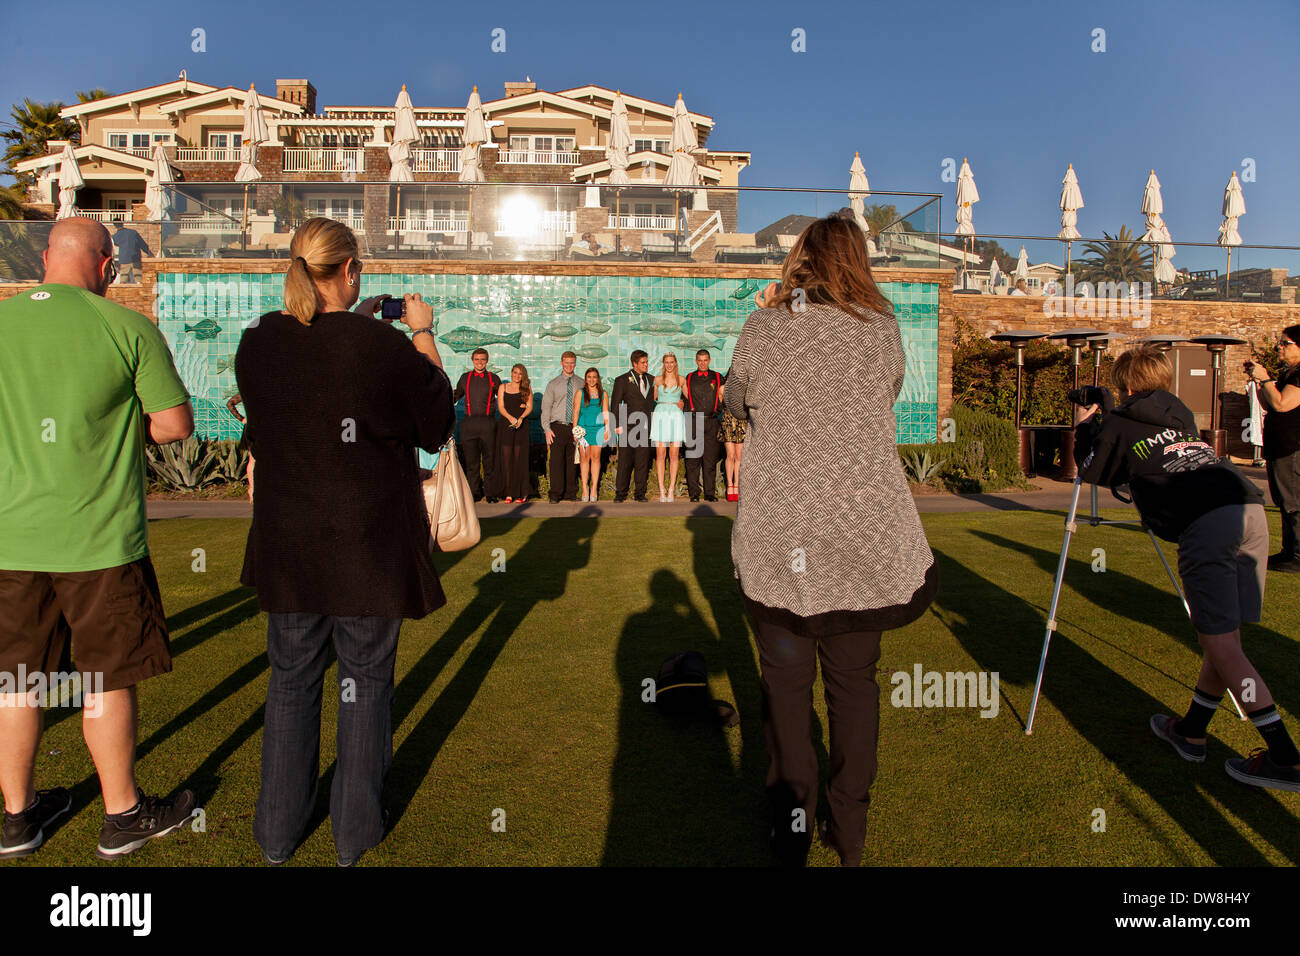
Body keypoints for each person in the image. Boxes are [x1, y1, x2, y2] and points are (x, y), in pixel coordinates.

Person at [235, 217, 456, 866]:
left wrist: (356, 326)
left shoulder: (259, 344)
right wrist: (421, 333)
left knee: (292, 685)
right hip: (367, 549)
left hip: (290, 549)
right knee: (363, 688)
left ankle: (279, 831)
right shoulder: (380, 346)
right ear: (352, 270)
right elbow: (436, 422)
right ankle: (354, 830)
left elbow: (299, 405)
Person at [725, 213, 938, 867]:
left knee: (785, 689)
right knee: (855, 686)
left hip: (782, 532)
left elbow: (733, 402)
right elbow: (888, 392)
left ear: (800, 260)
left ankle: (792, 826)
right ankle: (849, 829)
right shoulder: (882, 329)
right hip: (861, 530)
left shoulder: (765, 324)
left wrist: (768, 316)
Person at [0, 217, 198, 860]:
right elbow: (173, 426)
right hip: (100, 541)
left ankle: (16, 818)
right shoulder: (127, 326)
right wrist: (112, 431)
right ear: (108, 264)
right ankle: (122, 816)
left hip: (10, 541)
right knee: (106, 680)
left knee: (17, 681)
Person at [1074, 345, 1299, 793]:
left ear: (1127, 385)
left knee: (1226, 649)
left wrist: (1085, 427)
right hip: (1247, 510)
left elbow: (1092, 471)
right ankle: (1191, 731)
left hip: (1208, 524)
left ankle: (1286, 758)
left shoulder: (1119, 422)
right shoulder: (1179, 412)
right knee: (1223, 642)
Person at [1245, 326, 1300, 572]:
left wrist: (1266, 377)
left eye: (1285, 343)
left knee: (1294, 501)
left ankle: (1297, 556)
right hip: (1280, 447)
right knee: (1283, 500)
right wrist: (1259, 382)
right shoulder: (1290, 373)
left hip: (1293, 448)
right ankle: (1289, 551)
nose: (1279, 347)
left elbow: (1282, 404)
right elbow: (1268, 402)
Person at [453, 348, 501, 502]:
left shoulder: (494, 378)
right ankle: (474, 493)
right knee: (471, 462)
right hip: (469, 423)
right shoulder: (465, 378)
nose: (480, 362)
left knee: (489, 460)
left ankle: (491, 494)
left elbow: (503, 398)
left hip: (488, 423)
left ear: (487, 361)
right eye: (477, 359)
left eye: (483, 359)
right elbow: (455, 395)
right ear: (472, 361)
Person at [610, 350, 655, 502]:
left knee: (642, 461)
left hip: (645, 426)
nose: (646, 365)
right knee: (625, 461)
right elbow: (615, 404)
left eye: (647, 362)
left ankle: (640, 493)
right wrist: (616, 425)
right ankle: (620, 494)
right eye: (643, 362)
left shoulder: (651, 379)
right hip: (627, 426)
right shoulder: (622, 380)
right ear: (635, 364)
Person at [683, 349, 724, 502]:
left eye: (705, 360)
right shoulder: (689, 377)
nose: (702, 363)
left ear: (710, 360)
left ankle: (709, 494)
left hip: (712, 421)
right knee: (693, 459)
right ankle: (694, 494)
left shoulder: (718, 377)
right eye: (700, 360)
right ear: (696, 361)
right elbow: (683, 397)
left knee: (710, 460)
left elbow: (724, 395)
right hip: (694, 421)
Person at [542, 351, 580, 503]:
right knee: (556, 461)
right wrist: (546, 429)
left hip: (575, 426)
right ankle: (555, 494)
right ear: (561, 363)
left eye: (572, 362)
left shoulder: (581, 383)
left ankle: (571, 493)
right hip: (557, 426)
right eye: (566, 362)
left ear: (575, 363)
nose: (569, 365)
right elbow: (546, 407)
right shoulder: (553, 384)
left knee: (572, 461)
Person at [495, 363, 534, 503]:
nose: (517, 375)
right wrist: (510, 417)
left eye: (520, 373)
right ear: (511, 373)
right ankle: (509, 493)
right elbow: (501, 406)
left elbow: (529, 406)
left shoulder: (527, 388)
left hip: (521, 426)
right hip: (506, 425)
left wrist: (521, 418)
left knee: (519, 459)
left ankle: (521, 493)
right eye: (515, 372)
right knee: (506, 460)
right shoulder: (502, 387)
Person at [650, 352, 686, 502]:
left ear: (675, 363)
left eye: (672, 362)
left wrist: (683, 402)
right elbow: (651, 400)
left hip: (676, 417)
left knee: (674, 454)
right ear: (663, 364)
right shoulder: (657, 380)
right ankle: (662, 490)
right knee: (660, 454)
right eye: (666, 362)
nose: (669, 364)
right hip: (660, 416)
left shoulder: (681, 380)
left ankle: (671, 489)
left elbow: (690, 399)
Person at [573, 367, 611, 502]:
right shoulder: (580, 393)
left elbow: (605, 412)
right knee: (584, 459)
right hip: (583, 430)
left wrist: (607, 429)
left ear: (598, 379)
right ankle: (585, 488)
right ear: (586, 378)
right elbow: (576, 412)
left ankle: (594, 488)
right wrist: (575, 430)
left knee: (596, 458)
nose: (592, 379)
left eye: (594, 377)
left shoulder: (603, 394)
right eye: (589, 377)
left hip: (598, 430)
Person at [719, 367, 747, 501]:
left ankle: (737, 485)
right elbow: (719, 405)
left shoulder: (744, 390)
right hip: (728, 421)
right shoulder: (722, 388)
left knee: (739, 456)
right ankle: (730, 485)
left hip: (741, 422)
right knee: (730, 455)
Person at [226, 392, 255, 501]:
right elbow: (230, 403)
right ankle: (252, 488)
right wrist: (242, 419)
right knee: (253, 459)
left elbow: (230, 403)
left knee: (253, 460)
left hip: (256, 426)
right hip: (253, 427)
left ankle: (253, 488)